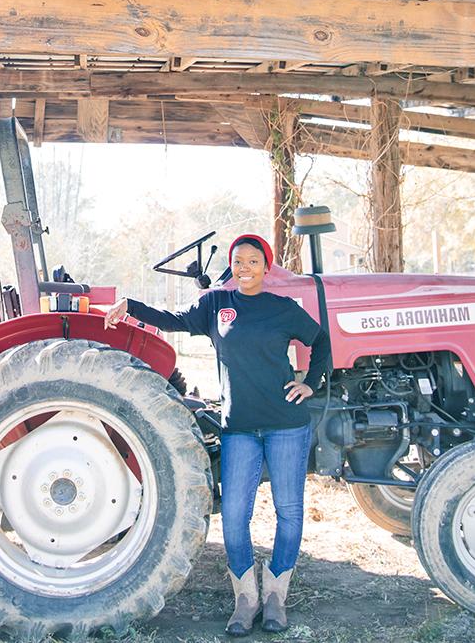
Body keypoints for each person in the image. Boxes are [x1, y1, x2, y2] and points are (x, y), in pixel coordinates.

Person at [104, 234, 331, 636]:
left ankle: (276, 594)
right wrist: (132, 308)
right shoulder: (216, 305)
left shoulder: (282, 309)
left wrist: (310, 383)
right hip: (238, 428)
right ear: (232, 266)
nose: (245, 268)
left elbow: (321, 340)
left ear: (266, 266)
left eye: (253, 261)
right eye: (238, 261)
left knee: (290, 512)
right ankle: (245, 598)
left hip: (285, 424)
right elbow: (173, 319)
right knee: (234, 515)